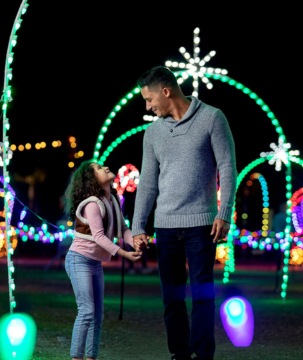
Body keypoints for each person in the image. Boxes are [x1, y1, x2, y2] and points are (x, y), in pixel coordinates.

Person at [132, 66, 237, 360]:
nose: (148, 106)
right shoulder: (152, 133)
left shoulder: (213, 118)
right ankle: (180, 354)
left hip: (202, 225)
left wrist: (224, 212)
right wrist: (138, 225)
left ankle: (203, 355)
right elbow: (148, 183)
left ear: (166, 92)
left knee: (202, 296)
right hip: (165, 228)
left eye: (149, 99)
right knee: (172, 299)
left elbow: (228, 169)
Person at [63, 160, 142, 360]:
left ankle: (91, 358)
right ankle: (76, 358)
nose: (105, 167)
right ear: (93, 180)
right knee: (87, 311)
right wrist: (124, 254)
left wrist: (135, 241)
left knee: (98, 316)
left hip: (95, 263)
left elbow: (122, 230)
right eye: (99, 168)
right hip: (78, 260)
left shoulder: (113, 201)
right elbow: (99, 236)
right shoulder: (92, 203)